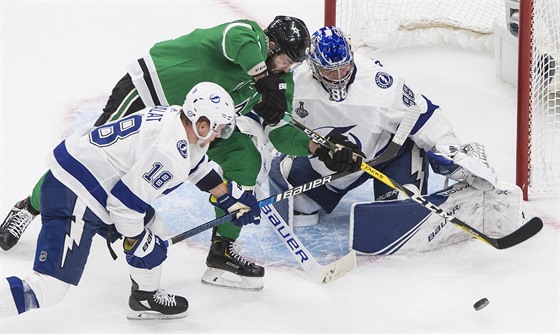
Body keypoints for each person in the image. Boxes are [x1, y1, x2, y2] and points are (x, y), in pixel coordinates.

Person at [0, 18, 360, 291]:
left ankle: (222, 252)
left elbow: (279, 131)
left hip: (201, 124)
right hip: (149, 96)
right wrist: (266, 79)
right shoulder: (247, 33)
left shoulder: (281, 79)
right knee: (91, 159)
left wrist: (319, 149)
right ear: (270, 44)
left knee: (246, 159)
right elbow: (238, 44)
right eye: (284, 59)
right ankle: (29, 206)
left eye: (292, 65)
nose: (287, 69)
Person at [0, 82, 264, 319]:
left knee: (154, 228)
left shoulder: (177, 119)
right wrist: (138, 241)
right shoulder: (169, 152)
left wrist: (229, 200)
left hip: (91, 180)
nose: (219, 135)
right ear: (202, 124)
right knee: (49, 289)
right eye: (218, 128)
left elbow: (195, 164)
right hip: (76, 192)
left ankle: (144, 298)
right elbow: (124, 205)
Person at [268, 26, 523, 252]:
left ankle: (433, 179)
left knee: (397, 220)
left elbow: (423, 114)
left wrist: (448, 149)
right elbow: (277, 127)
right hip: (331, 163)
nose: (339, 76)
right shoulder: (296, 84)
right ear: (313, 66)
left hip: (384, 158)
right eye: (329, 71)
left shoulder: (380, 83)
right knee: (298, 209)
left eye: (344, 67)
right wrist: (318, 149)